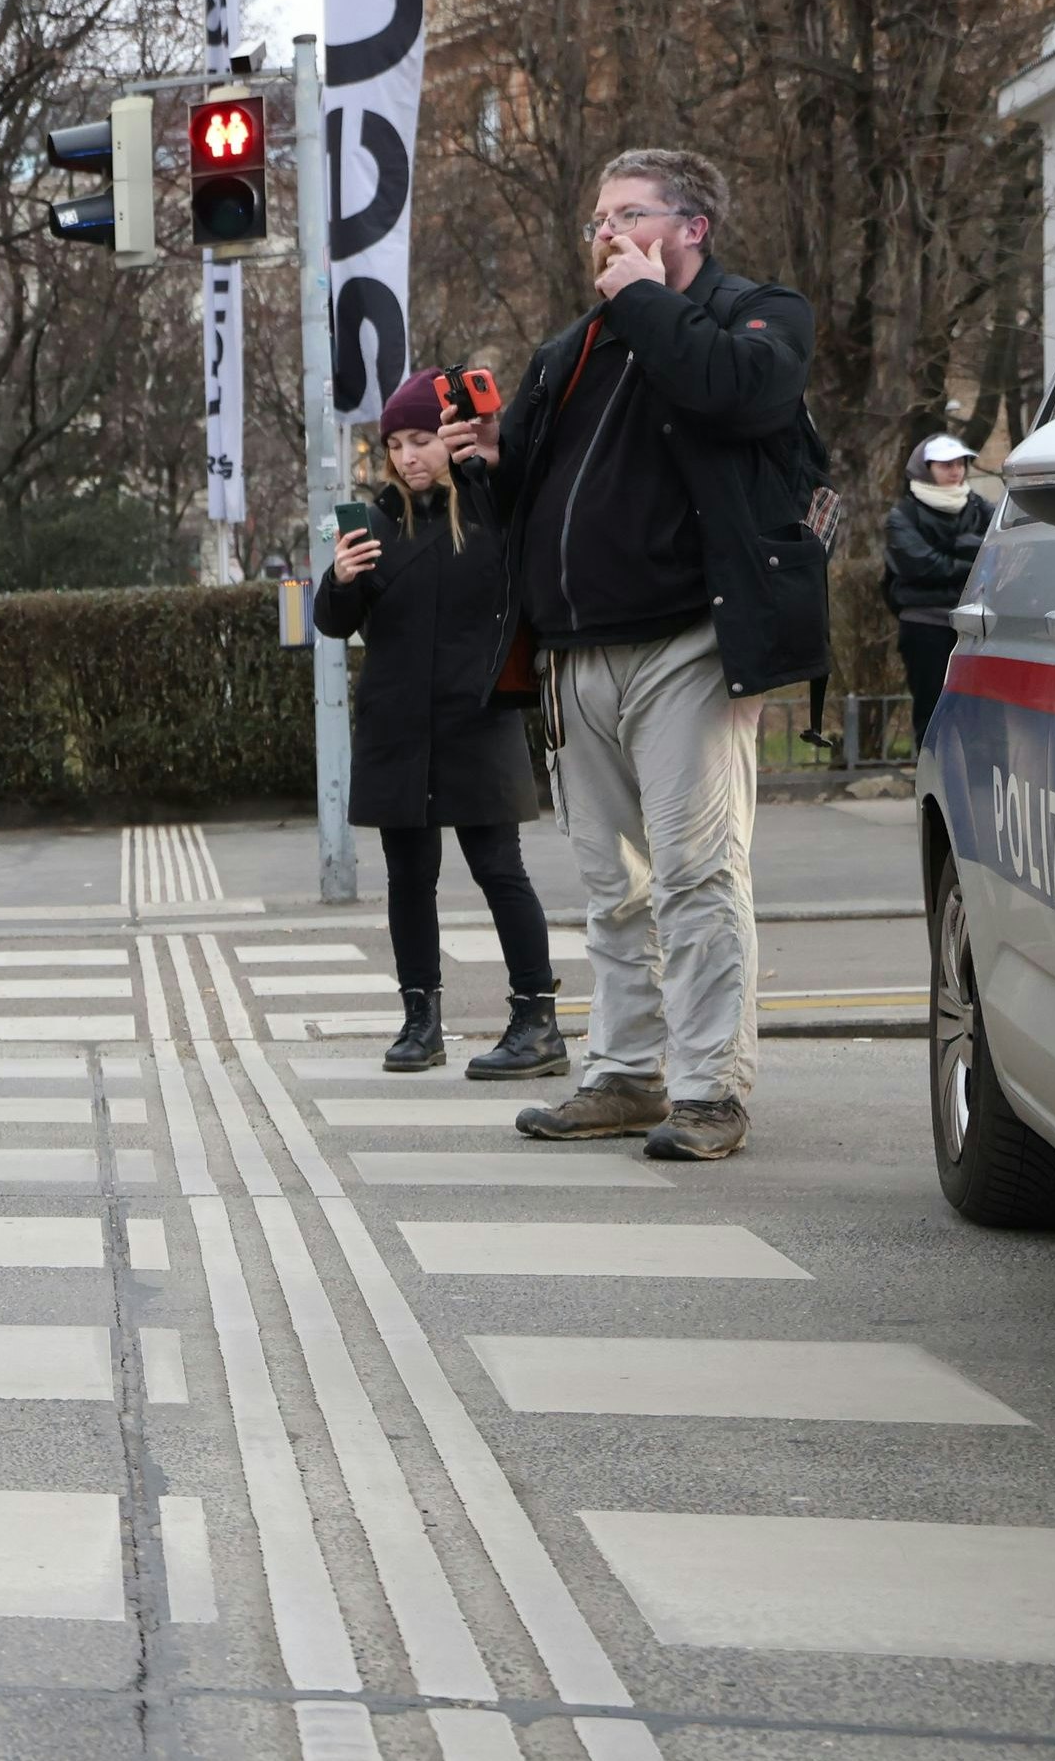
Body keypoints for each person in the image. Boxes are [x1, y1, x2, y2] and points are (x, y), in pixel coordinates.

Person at [462, 148, 825, 1162]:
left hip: (688, 643)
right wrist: (488, 463)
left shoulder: (756, 313)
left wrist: (643, 301)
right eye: (597, 222)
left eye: (628, 215)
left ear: (691, 226)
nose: (606, 235)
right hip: (576, 655)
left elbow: (739, 395)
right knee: (611, 887)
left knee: (696, 875)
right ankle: (623, 1074)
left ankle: (708, 1089)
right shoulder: (574, 347)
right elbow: (524, 500)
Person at [318, 370, 568, 1079]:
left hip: (476, 715)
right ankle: (420, 1019)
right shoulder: (376, 522)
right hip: (398, 722)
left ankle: (535, 1018)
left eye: (421, 439)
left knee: (499, 868)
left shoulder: (491, 505)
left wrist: (484, 458)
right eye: (395, 443)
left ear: (447, 438)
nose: (407, 456)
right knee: (408, 876)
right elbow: (336, 625)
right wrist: (339, 580)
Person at [885, 433, 992, 744]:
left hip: (976, 624)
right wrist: (968, 556)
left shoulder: (979, 507)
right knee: (932, 710)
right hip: (926, 625)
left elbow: (997, 550)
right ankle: (931, 780)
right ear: (925, 467)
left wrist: (953, 551)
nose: (955, 470)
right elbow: (920, 565)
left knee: (978, 712)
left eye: (959, 463)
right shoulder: (903, 515)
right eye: (945, 465)